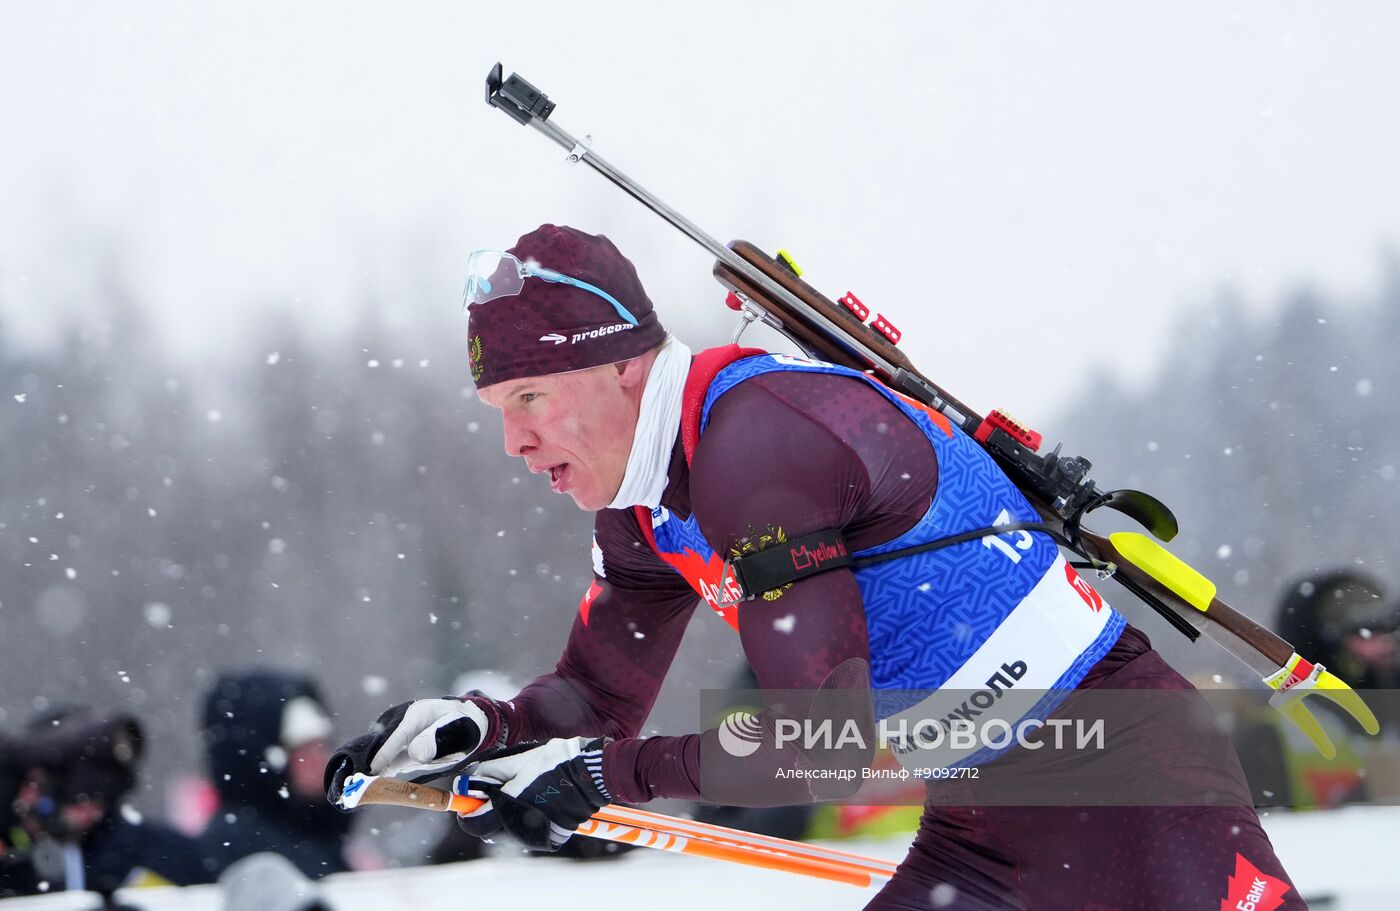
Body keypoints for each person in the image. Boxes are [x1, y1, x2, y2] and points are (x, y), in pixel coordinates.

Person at [326, 225, 1304, 910]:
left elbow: (821, 742)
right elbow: (589, 704)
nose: (513, 439)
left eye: (530, 398)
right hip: (982, 830)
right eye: (499, 408)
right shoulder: (642, 503)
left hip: (1126, 778)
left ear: (621, 368)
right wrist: (478, 727)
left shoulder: (759, 448)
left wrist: (607, 775)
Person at [0, 707, 208, 899]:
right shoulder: (14, 851)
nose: (27, 799)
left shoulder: (140, 852)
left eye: (48, 789)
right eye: (29, 783)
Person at [1234, 570, 1395, 809]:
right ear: (1324, 643)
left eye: (1389, 629)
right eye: (1364, 632)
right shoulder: (1266, 738)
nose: (1386, 644)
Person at [201, 671, 350, 879]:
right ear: (264, 759)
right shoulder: (239, 846)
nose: (321, 759)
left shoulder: (318, 834)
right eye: (304, 750)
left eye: (322, 745)